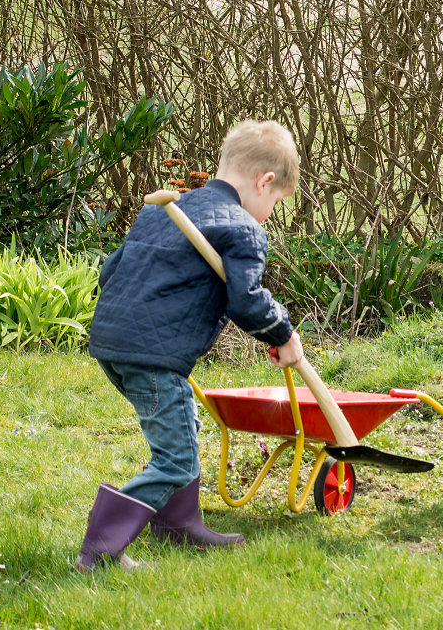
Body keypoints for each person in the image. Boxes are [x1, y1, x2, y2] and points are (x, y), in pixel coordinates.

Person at [77, 120, 305, 571]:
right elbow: (247, 301)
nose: (270, 213)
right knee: (177, 459)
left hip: (113, 343)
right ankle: (98, 552)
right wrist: (284, 333)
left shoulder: (165, 211)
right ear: (265, 182)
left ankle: (179, 526)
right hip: (153, 357)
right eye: (276, 202)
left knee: (183, 427)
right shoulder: (241, 228)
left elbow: (111, 272)